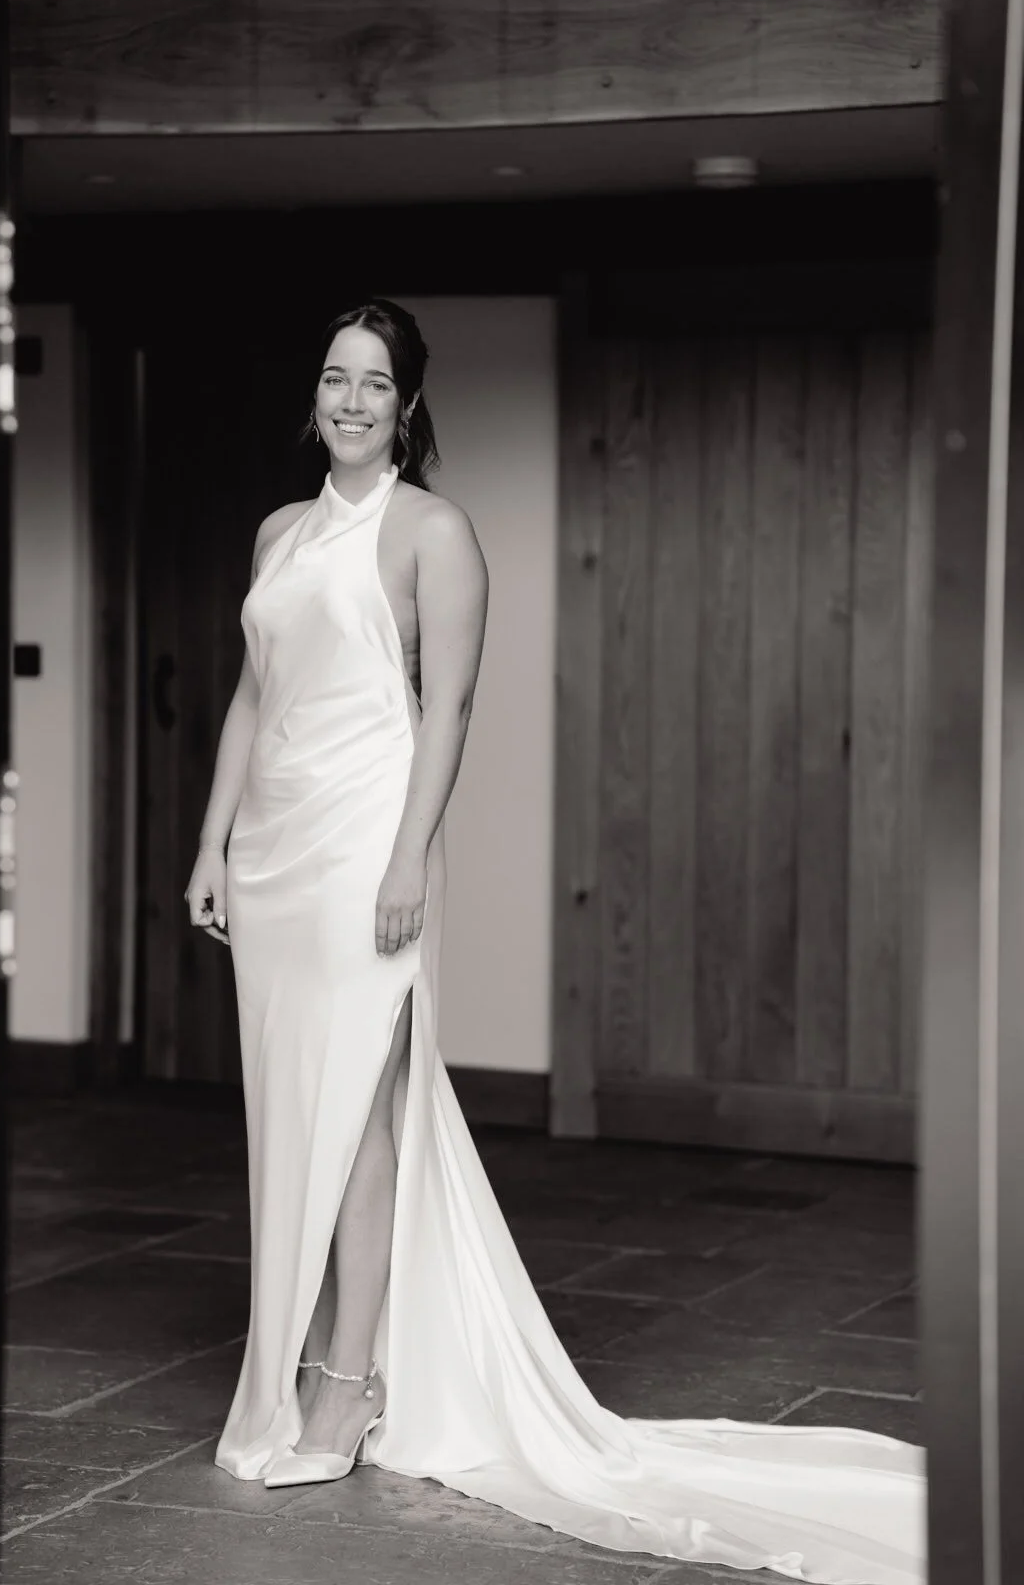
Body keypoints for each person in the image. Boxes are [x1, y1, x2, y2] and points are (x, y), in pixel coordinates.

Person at [185, 298, 924, 1584]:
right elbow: (254, 692)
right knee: (283, 1113)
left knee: (363, 1114)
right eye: (332, 377)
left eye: (374, 382)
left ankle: (349, 1383)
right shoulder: (278, 531)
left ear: (407, 404)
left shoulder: (433, 530)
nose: (350, 399)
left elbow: (450, 705)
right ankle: (301, 1361)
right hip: (271, 855)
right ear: (314, 397)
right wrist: (208, 844)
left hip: (367, 843)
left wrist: (411, 855)